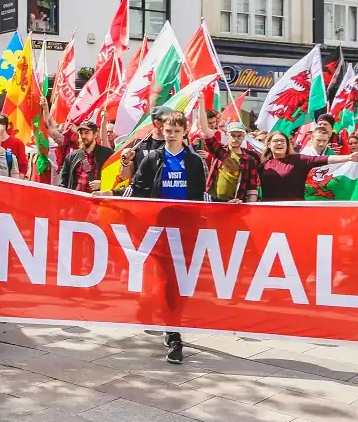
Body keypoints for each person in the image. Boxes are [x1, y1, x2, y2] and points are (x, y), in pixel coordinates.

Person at [129, 110, 208, 364]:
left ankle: (173, 328)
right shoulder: (152, 157)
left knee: (178, 280)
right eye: (167, 131)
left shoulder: (194, 162)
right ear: (162, 132)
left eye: (176, 131)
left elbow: (201, 196)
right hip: (157, 228)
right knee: (163, 278)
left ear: (185, 132)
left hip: (185, 228)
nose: (171, 135)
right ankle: (170, 327)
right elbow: (138, 189)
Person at [259, 130, 358, 202]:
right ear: (269, 144)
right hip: (269, 208)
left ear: (287, 145)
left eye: (283, 141)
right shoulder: (262, 163)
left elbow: (324, 159)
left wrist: (349, 158)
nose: (279, 143)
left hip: (294, 208)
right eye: (276, 141)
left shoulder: (298, 159)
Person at [197, 105, 259, 203]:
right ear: (227, 135)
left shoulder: (250, 159)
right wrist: (201, 102)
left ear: (244, 136)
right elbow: (205, 129)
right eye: (233, 135)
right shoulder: (220, 151)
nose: (236, 138)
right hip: (213, 201)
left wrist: (251, 206)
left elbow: (252, 187)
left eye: (239, 136)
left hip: (236, 202)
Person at [60, 121, 114, 192]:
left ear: (95, 134)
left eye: (87, 133)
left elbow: (116, 178)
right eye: (81, 133)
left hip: (96, 200)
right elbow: (63, 184)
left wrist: (103, 183)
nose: (83, 136)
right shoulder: (71, 157)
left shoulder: (107, 154)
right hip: (76, 199)